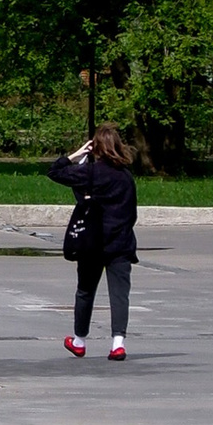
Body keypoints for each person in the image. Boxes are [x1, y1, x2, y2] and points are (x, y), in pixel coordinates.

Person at [48, 125, 138, 359]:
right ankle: (118, 344)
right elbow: (132, 213)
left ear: (95, 147)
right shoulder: (126, 177)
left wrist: (75, 155)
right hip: (120, 243)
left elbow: (55, 172)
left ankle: (79, 340)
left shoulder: (90, 173)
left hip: (92, 243)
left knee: (85, 291)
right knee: (119, 295)